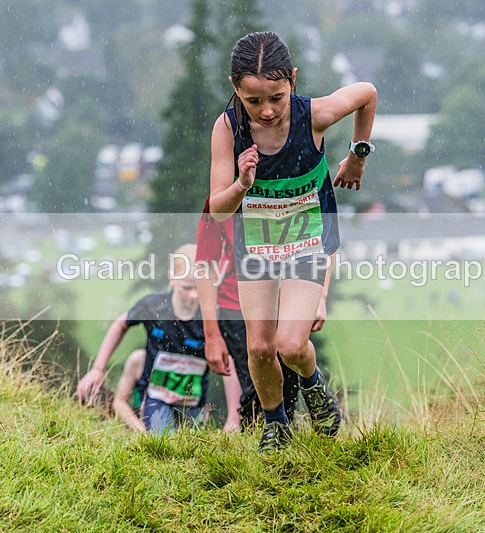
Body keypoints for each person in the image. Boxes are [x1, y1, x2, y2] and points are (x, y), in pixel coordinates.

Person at [209, 31, 377, 451]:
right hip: (259, 247)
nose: (266, 111)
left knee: (289, 344)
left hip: (308, 242)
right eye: (253, 101)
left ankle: (314, 385)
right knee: (261, 348)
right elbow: (218, 209)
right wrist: (242, 185)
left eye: (277, 98)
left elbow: (366, 93)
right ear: (235, 89)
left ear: (293, 82)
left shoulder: (314, 116)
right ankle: (276, 426)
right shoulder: (228, 129)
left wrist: (357, 155)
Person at [196, 197, 305, 431]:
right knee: (256, 389)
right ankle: (257, 440)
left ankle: (284, 443)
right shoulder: (221, 199)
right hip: (236, 308)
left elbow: (318, 245)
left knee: (289, 387)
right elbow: (205, 263)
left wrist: (317, 299)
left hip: (286, 303)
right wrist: (212, 335)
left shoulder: (290, 187)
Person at [76, 244, 208, 432]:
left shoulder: (212, 315)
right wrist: (98, 368)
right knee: (137, 360)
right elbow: (120, 324)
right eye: (187, 287)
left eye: (199, 288)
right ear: (171, 277)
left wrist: (232, 419)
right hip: (152, 403)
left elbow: (229, 360)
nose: (194, 295)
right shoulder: (153, 306)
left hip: (191, 406)